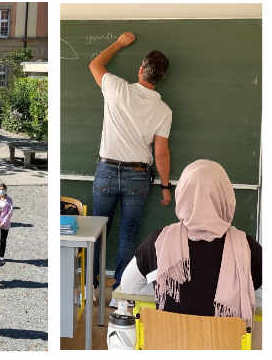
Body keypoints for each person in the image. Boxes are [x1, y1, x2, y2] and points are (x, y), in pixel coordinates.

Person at [119, 160, 262, 324]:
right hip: (225, 346)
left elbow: (128, 286)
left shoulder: (159, 241)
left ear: (182, 194)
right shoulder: (247, 247)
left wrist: (164, 285)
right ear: (227, 196)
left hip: (168, 344)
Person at [88, 32, 172, 290]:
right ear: (161, 78)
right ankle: (120, 291)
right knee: (128, 234)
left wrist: (119, 44)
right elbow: (161, 152)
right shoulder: (163, 110)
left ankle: (91, 284)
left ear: (140, 70)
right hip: (138, 175)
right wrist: (166, 187)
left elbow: (94, 65)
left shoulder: (115, 87)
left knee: (96, 230)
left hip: (107, 169)